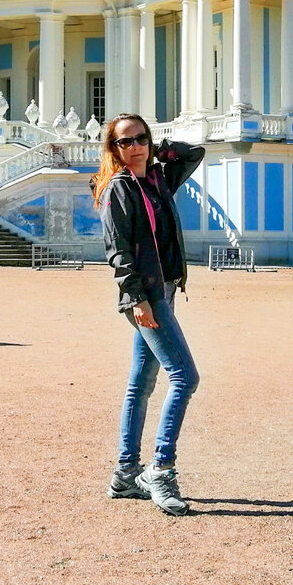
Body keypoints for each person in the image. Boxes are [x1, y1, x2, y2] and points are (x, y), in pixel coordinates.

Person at [93, 113, 204, 517]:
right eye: (126, 142)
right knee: (184, 376)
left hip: (165, 290)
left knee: (142, 381)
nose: (136, 147)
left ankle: (125, 473)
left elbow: (195, 153)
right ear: (114, 149)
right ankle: (161, 468)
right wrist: (136, 298)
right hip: (147, 296)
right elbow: (117, 251)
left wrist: (162, 150)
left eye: (142, 139)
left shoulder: (157, 180)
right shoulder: (118, 189)